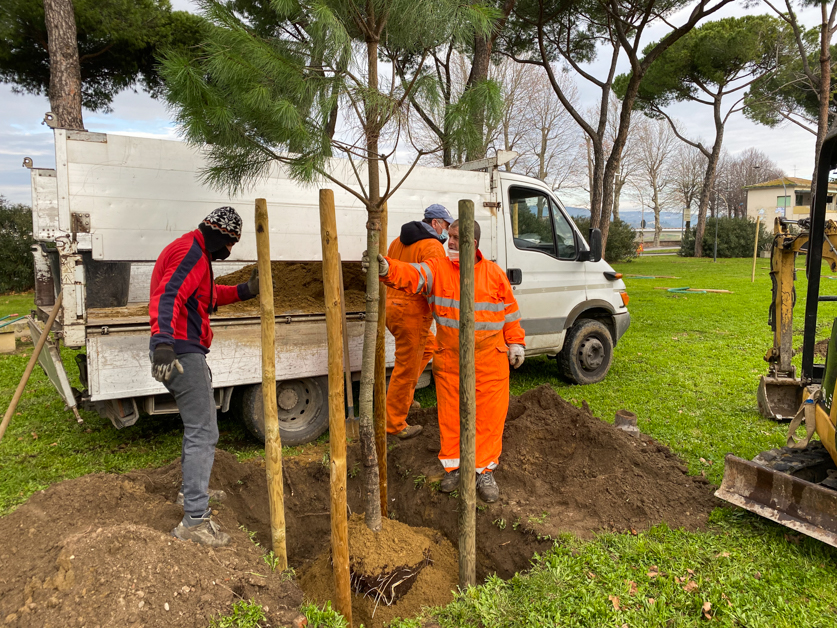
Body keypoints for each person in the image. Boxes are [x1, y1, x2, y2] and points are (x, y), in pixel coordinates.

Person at [363, 219, 525, 502]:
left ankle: (484, 471)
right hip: (451, 359)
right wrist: (388, 268)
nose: (449, 242)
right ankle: (454, 467)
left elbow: (510, 312)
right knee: (451, 416)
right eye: (449, 235)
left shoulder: (494, 274)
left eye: (455, 237)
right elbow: (413, 274)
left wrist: (516, 342)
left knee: (488, 419)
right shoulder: (439, 269)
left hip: (490, 360)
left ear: (472, 243)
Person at [149, 206, 259, 546]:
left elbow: (207, 296)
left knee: (198, 428)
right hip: (182, 351)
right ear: (222, 237)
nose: (230, 251)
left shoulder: (195, 251)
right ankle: (195, 520)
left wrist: (246, 290)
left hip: (183, 348)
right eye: (231, 244)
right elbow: (168, 295)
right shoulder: (192, 253)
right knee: (204, 431)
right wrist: (163, 342)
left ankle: (191, 493)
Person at [385, 203, 453, 440]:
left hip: (392, 309)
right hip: (411, 314)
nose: (447, 232)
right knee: (407, 368)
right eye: (446, 226)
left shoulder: (397, 241)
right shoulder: (433, 246)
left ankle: (405, 397)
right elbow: (434, 283)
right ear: (435, 223)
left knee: (428, 347)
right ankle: (394, 423)